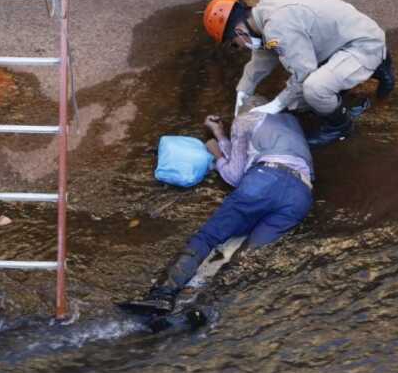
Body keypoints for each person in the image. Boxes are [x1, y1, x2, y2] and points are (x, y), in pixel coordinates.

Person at [122, 96, 314, 315]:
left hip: (265, 179)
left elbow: (234, 176)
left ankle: (162, 296)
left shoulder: (245, 119)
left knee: (208, 237)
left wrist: (219, 142)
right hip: (302, 195)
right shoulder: (290, 121)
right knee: (251, 253)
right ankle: (206, 307)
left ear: (247, 109)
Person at [203, 0, 395, 146]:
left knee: (314, 89)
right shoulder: (267, 9)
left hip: (362, 44)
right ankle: (377, 66)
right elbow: (267, 51)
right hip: (344, 37)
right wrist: (244, 90)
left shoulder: (277, 27)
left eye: (235, 45)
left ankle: (340, 127)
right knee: (301, 100)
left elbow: (303, 74)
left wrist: (276, 105)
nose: (240, 48)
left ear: (239, 31)